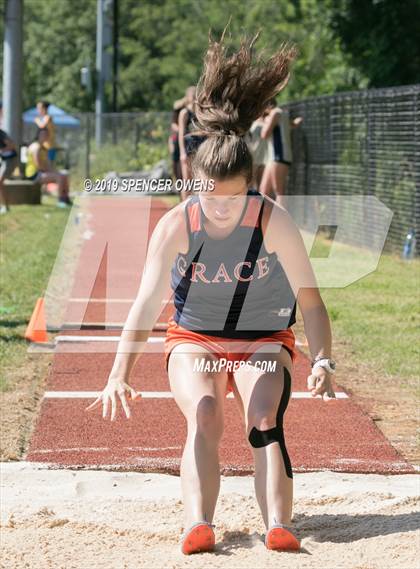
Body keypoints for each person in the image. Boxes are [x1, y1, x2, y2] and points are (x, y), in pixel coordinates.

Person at [87, 32, 336, 555]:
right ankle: (198, 522)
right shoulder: (178, 224)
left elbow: (311, 302)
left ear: (251, 186)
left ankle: (279, 524)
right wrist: (118, 373)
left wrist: (325, 360)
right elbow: (146, 301)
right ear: (193, 185)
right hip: (194, 338)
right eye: (210, 197)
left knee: (264, 416)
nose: (221, 210)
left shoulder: (274, 221)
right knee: (204, 411)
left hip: (263, 339)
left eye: (233, 199)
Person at [259, 99, 297, 207]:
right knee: (263, 190)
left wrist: (265, 121)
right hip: (274, 157)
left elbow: (264, 134)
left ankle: (281, 220)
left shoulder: (275, 113)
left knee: (279, 192)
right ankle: (262, 220)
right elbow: (292, 125)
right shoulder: (282, 113)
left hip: (280, 155)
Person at [25, 128, 72, 207]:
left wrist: (54, 171)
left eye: (46, 135)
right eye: (43, 134)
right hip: (34, 175)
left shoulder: (44, 148)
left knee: (64, 175)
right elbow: (38, 165)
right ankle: (61, 201)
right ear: (38, 135)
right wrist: (52, 172)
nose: (45, 136)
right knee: (59, 177)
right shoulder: (35, 147)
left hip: (42, 172)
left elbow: (48, 164)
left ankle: (66, 199)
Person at [178, 86, 198, 194]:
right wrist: (182, 152)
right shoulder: (184, 113)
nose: (195, 97)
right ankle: (184, 207)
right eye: (192, 95)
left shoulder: (201, 112)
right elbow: (181, 133)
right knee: (187, 181)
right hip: (188, 147)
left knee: (198, 181)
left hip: (199, 148)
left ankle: (194, 207)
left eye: (196, 95)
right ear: (188, 97)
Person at [0, 121, 19, 214]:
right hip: (4, 160)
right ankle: (4, 206)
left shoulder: (1, 134)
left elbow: (12, 145)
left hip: (10, 160)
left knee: (0, 181)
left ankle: (5, 206)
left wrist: (1, 150)